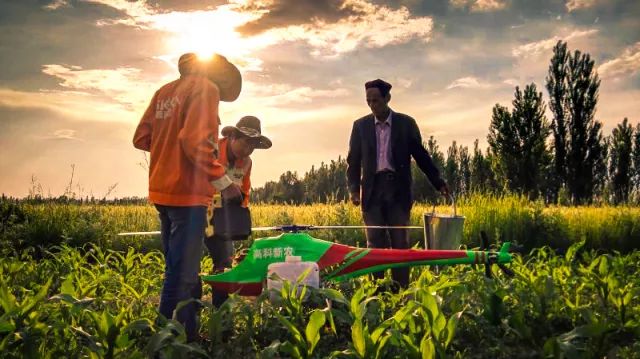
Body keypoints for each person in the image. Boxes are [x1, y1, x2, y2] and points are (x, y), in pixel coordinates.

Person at [132, 52, 242, 342]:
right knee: (182, 276)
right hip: (188, 196)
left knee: (177, 269)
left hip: (162, 191)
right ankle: (168, 341)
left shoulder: (164, 93)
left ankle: (186, 335)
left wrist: (168, 149)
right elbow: (196, 141)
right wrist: (224, 182)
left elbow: (141, 138)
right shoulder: (205, 89)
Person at [346, 78, 449, 290]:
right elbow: (353, 161)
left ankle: (400, 291)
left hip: (398, 191)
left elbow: (421, 156)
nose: (372, 105)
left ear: (387, 98)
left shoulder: (405, 124)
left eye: (376, 100)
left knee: (400, 243)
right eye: (368, 101)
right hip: (372, 192)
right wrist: (354, 190)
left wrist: (438, 182)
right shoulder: (360, 126)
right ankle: (377, 292)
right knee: (374, 244)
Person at [203, 115, 272, 307]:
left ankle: (221, 313)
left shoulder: (247, 162)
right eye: (246, 143)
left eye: (253, 146)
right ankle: (189, 312)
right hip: (198, 209)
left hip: (223, 216)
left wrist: (240, 217)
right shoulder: (211, 150)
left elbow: (244, 191)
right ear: (232, 136)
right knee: (189, 262)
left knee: (224, 263)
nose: (249, 149)